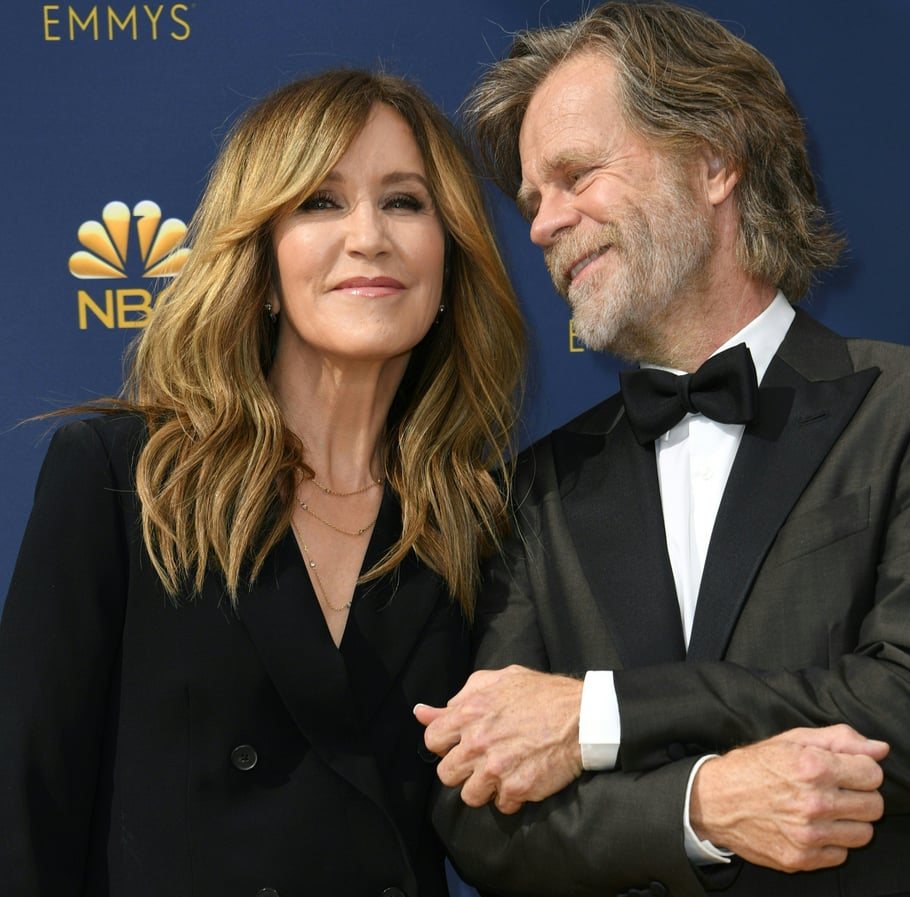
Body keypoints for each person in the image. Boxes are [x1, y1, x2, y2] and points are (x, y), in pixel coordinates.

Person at [415, 3, 910, 896]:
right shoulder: (535, 490)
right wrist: (700, 805)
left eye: (576, 176)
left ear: (715, 160)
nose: (544, 225)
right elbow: (482, 814)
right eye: (533, 201)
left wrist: (597, 714)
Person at [0, 68, 524, 897]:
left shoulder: (482, 521)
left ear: (450, 256)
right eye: (320, 201)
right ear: (262, 259)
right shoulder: (124, 480)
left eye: (404, 201)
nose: (368, 237)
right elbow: (22, 812)